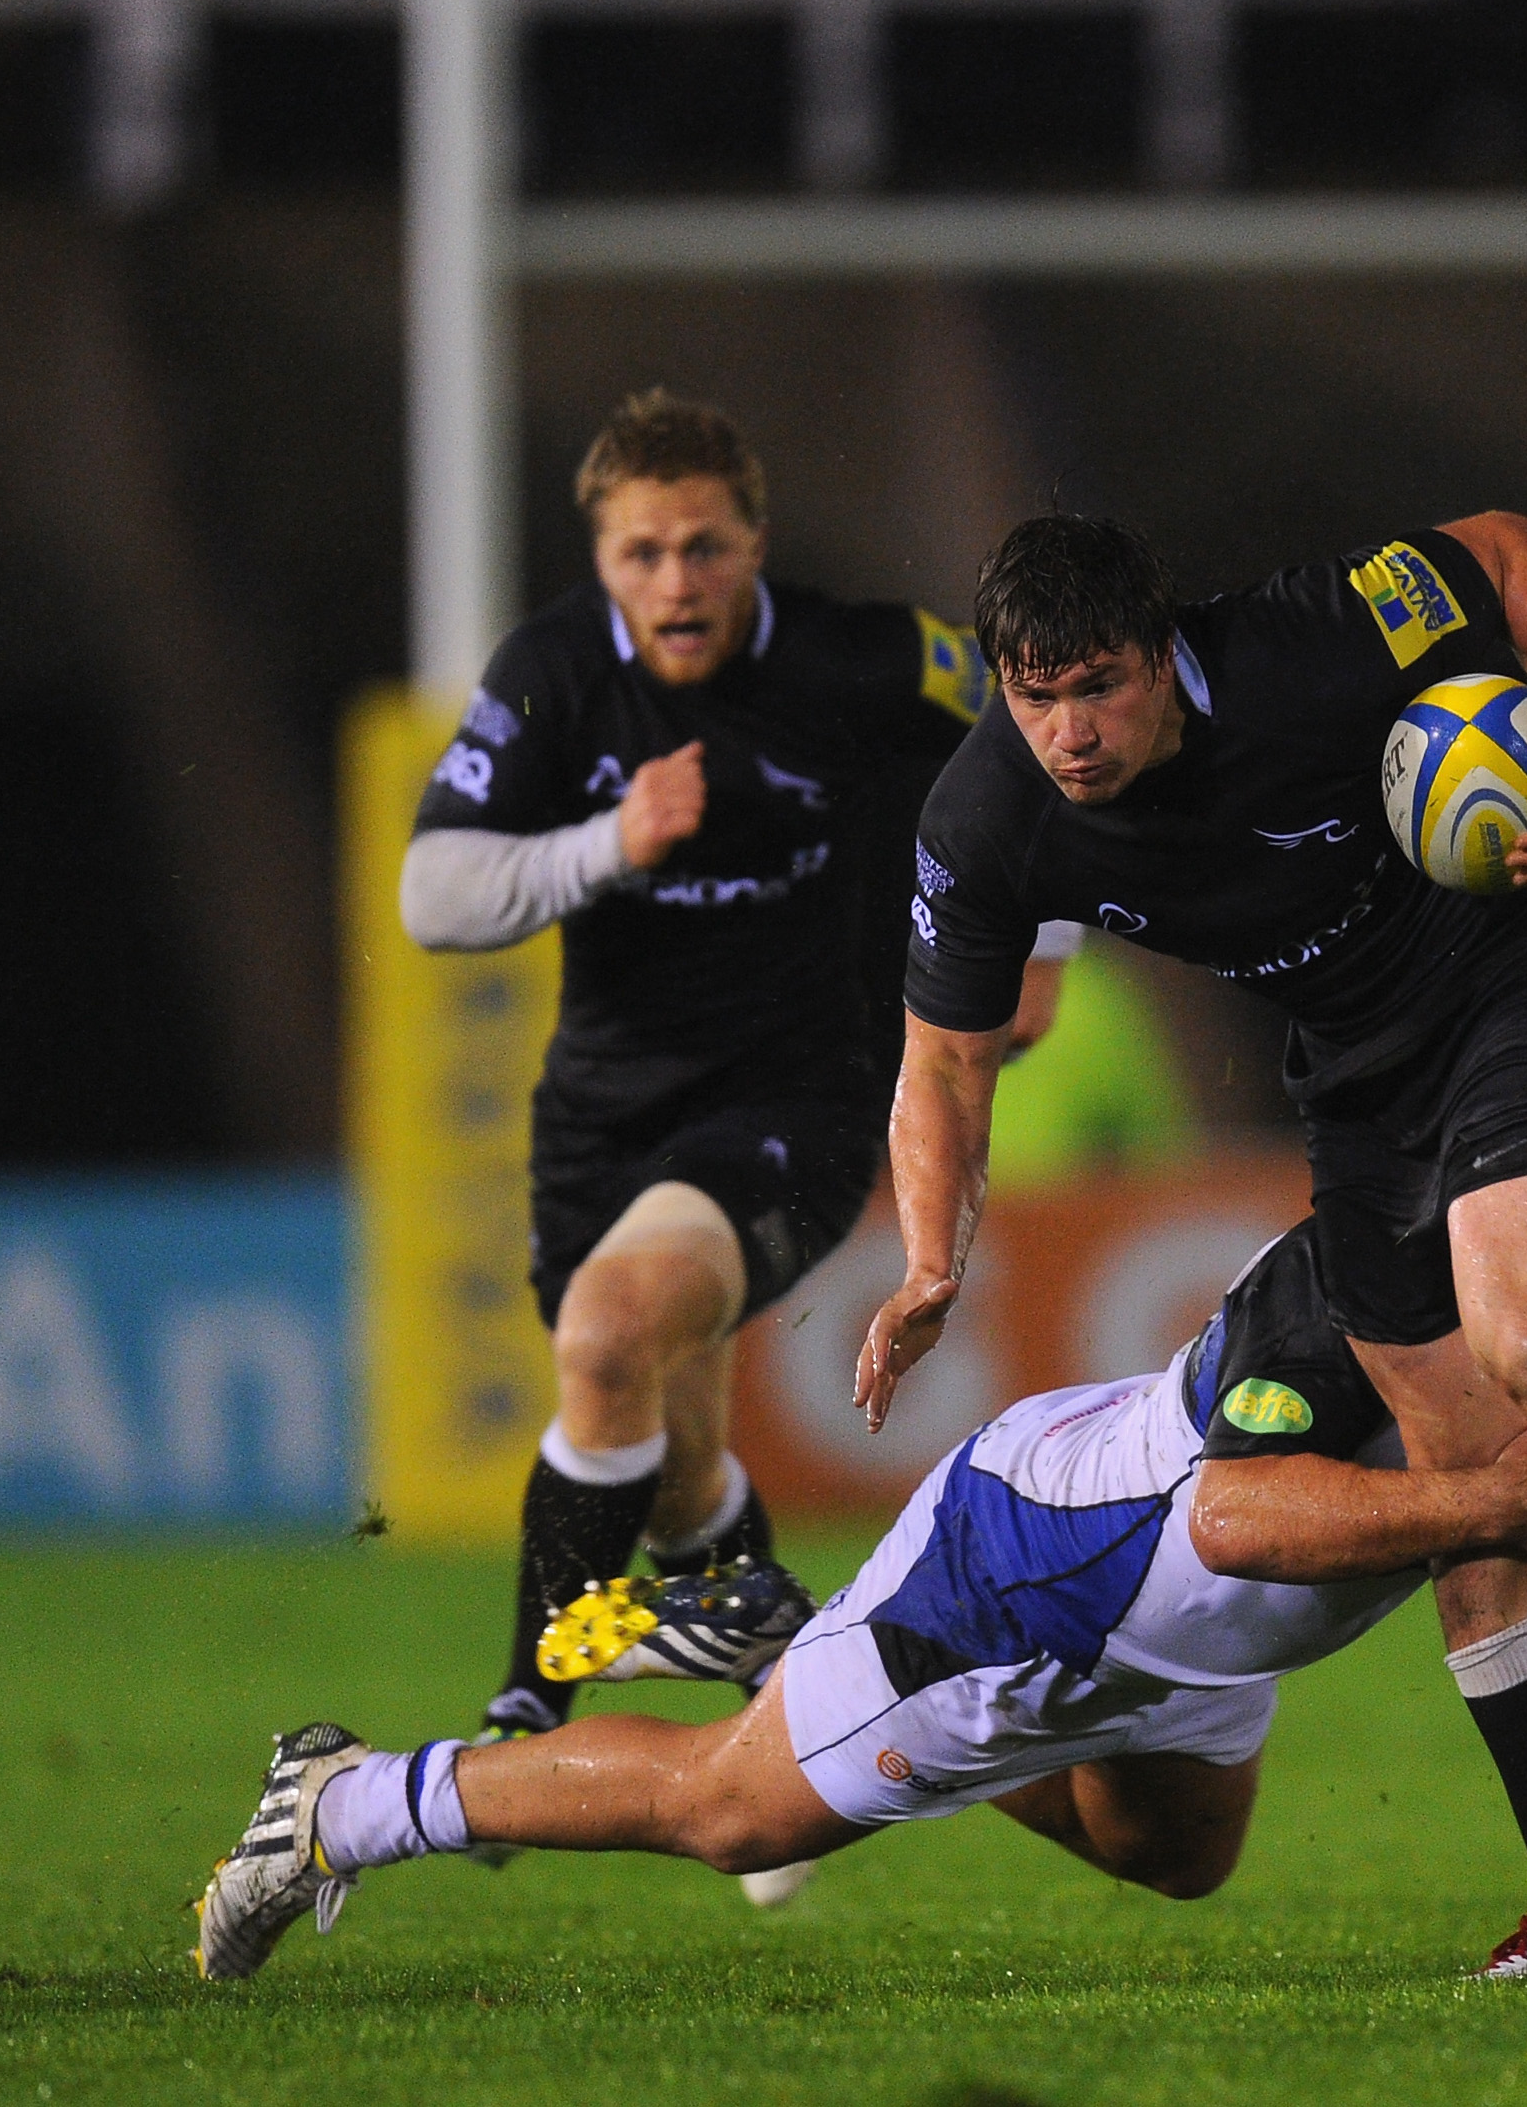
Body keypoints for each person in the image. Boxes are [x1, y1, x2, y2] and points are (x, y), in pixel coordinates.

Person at [192, 1104, 1527, 1983]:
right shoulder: (1357, 1280)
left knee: (1175, 1858)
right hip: (1041, 1573)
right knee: (733, 1812)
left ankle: (811, 1663)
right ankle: (346, 1797)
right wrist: (1487, 1506)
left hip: (1178, 1649)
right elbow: (1233, 1516)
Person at [861, 511, 1527, 1812]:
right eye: (1035, 696)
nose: (1068, 730)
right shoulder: (984, 821)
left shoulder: (1307, 637)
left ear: (1157, 649)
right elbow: (946, 1057)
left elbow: (1512, 550)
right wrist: (926, 1258)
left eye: (1097, 688)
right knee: (1470, 1491)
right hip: (1357, 1069)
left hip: (1518, 971)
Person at [401, 390, 1076, 1762]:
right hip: (598, 1117)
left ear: (755, 540)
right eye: (642, 553)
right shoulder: (546, 677)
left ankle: (525, 1709)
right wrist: (607, 843)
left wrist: (1043, 937)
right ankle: (789, 1702)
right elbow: (432, 890)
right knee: (674, 1468)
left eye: (703, 546)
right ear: (600, 559)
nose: (676, 581)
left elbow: (1037, 712)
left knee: (602, 1336)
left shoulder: (862, 658)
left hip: (798, 1104)